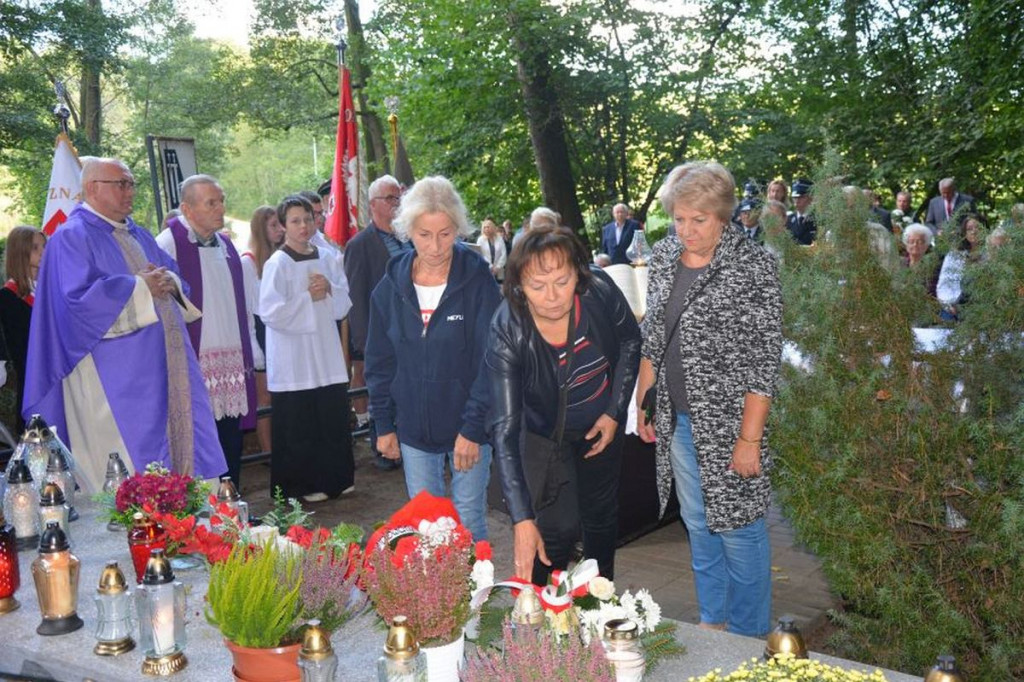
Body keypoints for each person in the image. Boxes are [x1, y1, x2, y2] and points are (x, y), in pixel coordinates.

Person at [635, 161, 782, 637]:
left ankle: (747, 636)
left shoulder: (753, 265)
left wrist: (749, 439)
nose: (687, 230)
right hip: (677, 417)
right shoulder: (662, 257)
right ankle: (711, 624)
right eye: (679, 219)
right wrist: (646, 403)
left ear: (723, 216)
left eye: (699, 220)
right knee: (698, 523)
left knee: (739, 527)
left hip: (732, 423)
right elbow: (653, 335)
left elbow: (765, 361)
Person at [23, 157, 226, 493]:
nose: (129, 191)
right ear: (91, 188)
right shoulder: (70, 237)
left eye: (131, 183)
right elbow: (76, 305)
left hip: (164, 368)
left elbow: (173, 278)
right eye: (121, 184)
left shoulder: (138, 233)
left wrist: (165, 280)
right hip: (110, 377)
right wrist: (139, 287)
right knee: (128, 473)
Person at [488, 225, 641, 585]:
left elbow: (631, 342)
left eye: (562, 280)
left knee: (601, 518)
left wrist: (614, 413)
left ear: (579, 274)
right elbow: (505, 431)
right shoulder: (507, 329)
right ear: (519, 288)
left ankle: (599, 601)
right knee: (555, 530)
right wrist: (521, 520)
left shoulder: (600, 290)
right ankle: (538, 608)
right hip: (544, 435)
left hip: (601, 425)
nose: (552, 296)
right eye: (537, 286)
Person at [365, 176, 501, 541]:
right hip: (412, 428)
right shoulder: (391, 284)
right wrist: (384, 424)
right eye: (425, 234)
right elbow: (379, 361)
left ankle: (475, 597)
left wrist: (473, 429)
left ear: (457, 228)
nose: (436, 246)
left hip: (467, 425)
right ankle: (438, 601)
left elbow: (492, 360)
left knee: (468, 520)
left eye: (445, 233)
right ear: (408, 230)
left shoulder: (477, 281)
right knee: (424, 526)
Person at [156, 175, 262, 486]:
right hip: (196, 359)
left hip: (230, 358)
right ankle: (206, 512)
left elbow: (240, 303)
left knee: (230, 435)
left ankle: (233, 505)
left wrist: (250, 346)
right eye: (211, 203)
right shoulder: (168, 244)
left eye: (221, 200)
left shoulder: (226, 244)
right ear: (187, 209)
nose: (220, 209)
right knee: (199, 436)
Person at [259, 194, 354, 502]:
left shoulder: (327, 257)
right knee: (300, 420)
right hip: (294, 355)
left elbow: (343, 303)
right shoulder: (278, 263)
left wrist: (328, 291)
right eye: (296, 221)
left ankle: (336, 479)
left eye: (308, 219)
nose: (303, 226)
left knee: (330, 416)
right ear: (283, 226)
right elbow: (270, 312)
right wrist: (306, 300)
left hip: (325, 351)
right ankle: (302, 485)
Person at [344, 174, 408, 471]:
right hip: (380, 335)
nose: (397, 203)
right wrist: (364, 341)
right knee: (382, 393)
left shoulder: (408, 239)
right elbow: (356, 295)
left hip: (412, 333)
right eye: (390, 198)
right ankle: (384, 451)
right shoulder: (360, 245)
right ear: (372, 205)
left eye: (399, 197)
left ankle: (408, 446)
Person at [241, 206, 285, 455]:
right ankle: (268, 452)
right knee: (264, 398)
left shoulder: (278, 259)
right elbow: (248, 308)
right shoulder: (248, 263)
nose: (279, 231)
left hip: (276, 329)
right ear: (261, 229)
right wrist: (255, 349)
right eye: (273, 226)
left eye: (280, 225)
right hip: (259, 332)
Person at [0, 226, 46, 434]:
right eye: (36, 248)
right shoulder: (6, 299)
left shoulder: (49, 291)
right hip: (27, 384)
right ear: (20, 252)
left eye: (45, 246)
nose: (43, 252)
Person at [936, 214, 985, 320]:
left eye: (978, 228)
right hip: (953, 306)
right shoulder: (954, 255)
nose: (974, 231)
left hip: (982, 308)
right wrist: (949, 306)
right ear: (964, 233)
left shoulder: (991, 254)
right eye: (969, 229)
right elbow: (944, 284)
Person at [786, 178, 816, 245]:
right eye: (794, 197)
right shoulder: (788, 219)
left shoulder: (818, 219)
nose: (797, 200)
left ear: (810, 198)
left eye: (801, 197)